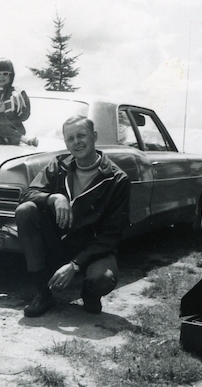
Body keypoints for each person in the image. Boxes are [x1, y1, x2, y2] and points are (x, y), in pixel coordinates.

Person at [15, 115, 130, 317]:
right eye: (70, 138)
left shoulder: (116, 179)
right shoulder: (58, 166)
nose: (76, 142)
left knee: (103, 278)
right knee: (25, 210)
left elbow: (112, 235)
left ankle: (90, 294)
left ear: (94, 136)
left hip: (93, 249)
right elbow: (26, 194)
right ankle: (42, 294)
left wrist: (75, 265)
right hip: (58, 244)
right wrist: (54, 198)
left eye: (81, 136)